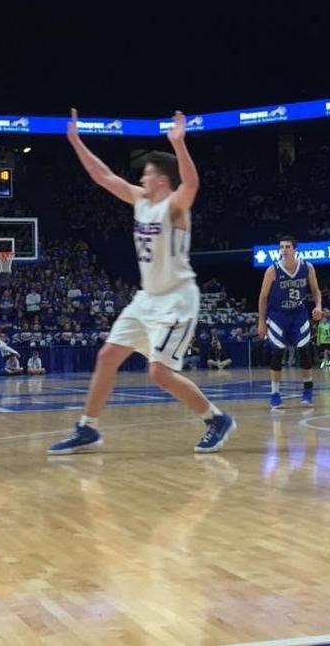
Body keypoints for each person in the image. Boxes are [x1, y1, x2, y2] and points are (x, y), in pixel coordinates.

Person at [48, 109, 235, 454]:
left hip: (177, 299)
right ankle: (87, 428)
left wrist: (178, 144)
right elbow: (103, 177)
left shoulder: (176, 207)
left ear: (162, 180)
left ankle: (216, 419)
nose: (141, 177)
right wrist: (76, 141)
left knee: (158, 374)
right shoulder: (139, 200)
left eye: (147, 173)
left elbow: (191, 183)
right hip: (147, 298)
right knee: (107, 356)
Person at [256, 235, 322, 409]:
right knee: (278, 352)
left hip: (299, 314)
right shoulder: (273, 270)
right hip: (278, 315)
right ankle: (275, 394)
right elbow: (263, 298)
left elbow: (316, 290)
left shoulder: (307, 267)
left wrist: (318, 306)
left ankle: (308, 392)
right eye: (281, 247)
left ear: (295, 249)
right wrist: (261, 322)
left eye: (287, 247)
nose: (283, 250)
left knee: (304, 351)